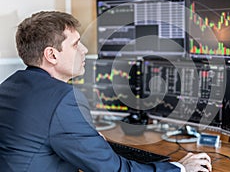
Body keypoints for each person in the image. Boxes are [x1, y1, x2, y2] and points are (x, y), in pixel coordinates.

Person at [0, 11, 212, 172]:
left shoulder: (8, 87)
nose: (84, 50)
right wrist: (180, 168)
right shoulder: (63, 99)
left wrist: (90, 141)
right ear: (52, 55)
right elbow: (113, 169)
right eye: (76, 45)